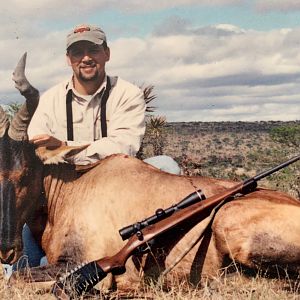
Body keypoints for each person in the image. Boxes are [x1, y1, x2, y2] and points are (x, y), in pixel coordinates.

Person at [7, 24, 181, 275]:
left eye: (93, 50)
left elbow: (125, 144)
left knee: (167, 166)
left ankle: (163, 253)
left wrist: (66, 149)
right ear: (69, 60)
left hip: (117, 184)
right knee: (20, 265)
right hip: (66, 189)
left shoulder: (127, 93)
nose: (86, 58)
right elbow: (36, 144)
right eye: (78, 52)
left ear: (106, 54)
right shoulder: (51, 99)